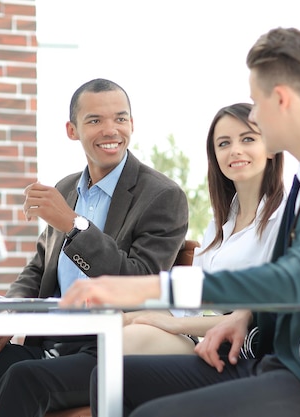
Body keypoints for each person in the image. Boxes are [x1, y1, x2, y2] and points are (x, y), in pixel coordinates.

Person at [61, 27, 300, 417]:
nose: (252, 116)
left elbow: (293, 280)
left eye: (255, 103)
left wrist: (141, 287)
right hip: (272, 361)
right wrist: (248, 316)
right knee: (114, 378)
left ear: (281, 99)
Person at [0, 78, 189, 417]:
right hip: (46, 346)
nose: (111, 130)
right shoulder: (66, 189)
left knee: (23, 377)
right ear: (72, 130)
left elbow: (140, 282)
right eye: (95, 120)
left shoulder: (162, 196)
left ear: (132, 125)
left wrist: (74, 225)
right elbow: (37, 270)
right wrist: (0, 316)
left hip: (106, 349)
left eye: (120, 118)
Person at [122, 102, 285, 356]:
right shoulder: (219, 226)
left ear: (271, 148)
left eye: (248, 139)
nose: (235, 151)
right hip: (215, 343)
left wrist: (176, 325)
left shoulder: (284, 217)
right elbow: (188, 304)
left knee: (128, 341)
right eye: (224, 143)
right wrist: (137, 315)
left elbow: (256, 316)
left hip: (252, 350)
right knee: (120, 332)